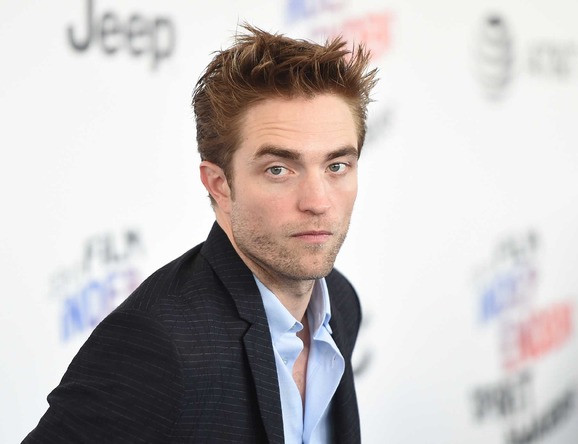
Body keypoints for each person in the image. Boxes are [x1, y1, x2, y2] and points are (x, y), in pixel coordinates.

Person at [23, 24, 377, 444]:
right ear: (219, 185)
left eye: (337, 166)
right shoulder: (157, 344)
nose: (318, 201)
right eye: (279, 169)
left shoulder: (340, 302)